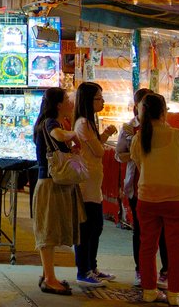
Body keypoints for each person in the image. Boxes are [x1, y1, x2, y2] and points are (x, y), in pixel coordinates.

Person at [131, 93, 179, 306]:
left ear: (142, 112)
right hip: (175, 198)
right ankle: (174, 294)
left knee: (147, 245)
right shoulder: (176, 135)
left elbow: (138, 164)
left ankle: (149, 290)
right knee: (176, 248)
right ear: (164, 111)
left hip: (147, 198)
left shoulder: (139, 138)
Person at [115, 88, 169, 288]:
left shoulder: (166, 129)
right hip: (138, 187)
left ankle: (166, 271)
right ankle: (142, 271)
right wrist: (136, 151)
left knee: (164, 232)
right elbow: (119, 155)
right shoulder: (130, 130)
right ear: (136, 107)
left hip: (162, 187)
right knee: (141, 231)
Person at [32, 87, 81, 295]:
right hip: (49, 184)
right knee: (48, 232)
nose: (71, 103)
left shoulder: (54, 122)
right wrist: (75, 135)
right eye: (68, 99)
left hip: (54, 184)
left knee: (51, 230)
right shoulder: (51, 123)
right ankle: (50, 279)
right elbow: (57, 135)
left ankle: (48, 275)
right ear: (59, 104)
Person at [72, 82, 118, 287]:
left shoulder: (89, 122)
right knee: (87, 228)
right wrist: (104, 140)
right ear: (88, 100)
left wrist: (104, 136)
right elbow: (98, 151)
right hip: (86, 183)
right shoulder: (82, 123)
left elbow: (97, 146)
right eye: (99, 98)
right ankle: (84, 270)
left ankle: (92, 266)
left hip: (93, 183)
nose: (103, 101)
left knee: (96, 226)